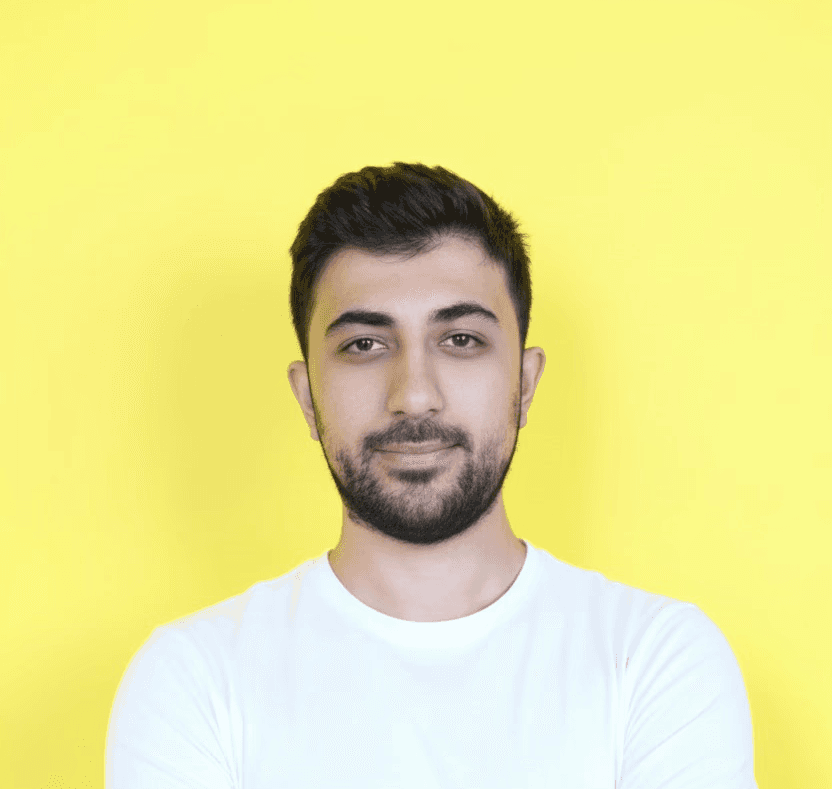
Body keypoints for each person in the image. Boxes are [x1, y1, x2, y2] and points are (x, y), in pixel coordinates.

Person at [106, 163, 757, 787]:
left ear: (526, 383)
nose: (414, 395)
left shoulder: (654, 658)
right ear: (307, 398)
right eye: (364, 345)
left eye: (461, 340)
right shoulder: (194, 679)